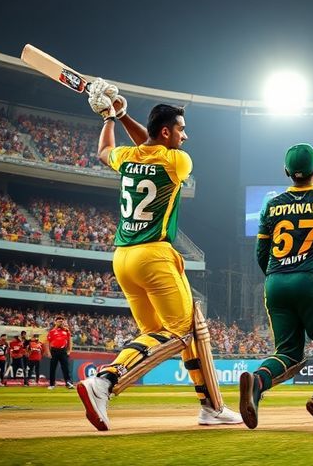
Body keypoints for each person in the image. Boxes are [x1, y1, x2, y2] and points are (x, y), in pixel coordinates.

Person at [76, 83, 241, 430]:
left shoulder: (127, 158)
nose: (186, 135)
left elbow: (106, 149)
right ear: (167, 131)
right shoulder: (177, 160)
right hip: (154, 256)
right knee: (182, 330)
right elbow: (153, 145)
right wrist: (119, 114)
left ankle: (211, 406)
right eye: (181, 128)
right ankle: (104, 381)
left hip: (123, 258)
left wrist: (113, 117)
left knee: (162, 333)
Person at [239, 144, 313, 433]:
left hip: (276, 281)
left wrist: (277, 274)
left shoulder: (271, 204)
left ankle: (257, 382)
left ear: (286, 172)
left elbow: (261, 253)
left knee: (288, 353)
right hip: (310, 280)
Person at [47, 316, 73, 390]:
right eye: (59, 321)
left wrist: (69, 350)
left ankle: (68, 383)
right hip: (54, 351)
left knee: (66, 368)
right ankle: (52, 384)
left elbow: (70, 341)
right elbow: (48, 342)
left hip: (63, 351)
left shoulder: (67, 331)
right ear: (56, 322)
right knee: (52, 368)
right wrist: (48, 352)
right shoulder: (52, 331)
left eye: (62, 321)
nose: (61, 322)